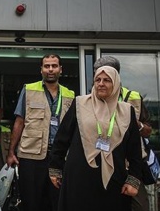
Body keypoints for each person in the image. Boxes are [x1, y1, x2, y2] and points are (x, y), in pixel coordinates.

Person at [49, 66, 143, 211]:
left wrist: (133, 180)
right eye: (97, 80)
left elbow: (135, 150)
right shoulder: (80, 104)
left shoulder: (126, 111)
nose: (101, 83)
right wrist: (55, 167)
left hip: (114, 180)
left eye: (106, 80)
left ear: (116, 84)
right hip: (79, 177)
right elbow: (62, 139)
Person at [6, 54, 75, 211]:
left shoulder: (70, 95)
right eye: (47, 66)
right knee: (31, 202)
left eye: (54, 66)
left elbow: (74, 128)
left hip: (59, 157)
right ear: (41, 70)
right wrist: (11, 152)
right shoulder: (28, 89)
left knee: (57, 202)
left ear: (60, 69)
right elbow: (19, 121)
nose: (50, 69)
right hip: (31, 156)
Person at [94, 56, 153, 211]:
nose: (101, 82)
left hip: (130, 165)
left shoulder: (134, 97)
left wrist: (134, 123)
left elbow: (148, 131)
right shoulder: (90, 100)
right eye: (97, 75)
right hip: (102, 163)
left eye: (106, 76)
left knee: (139, 206)